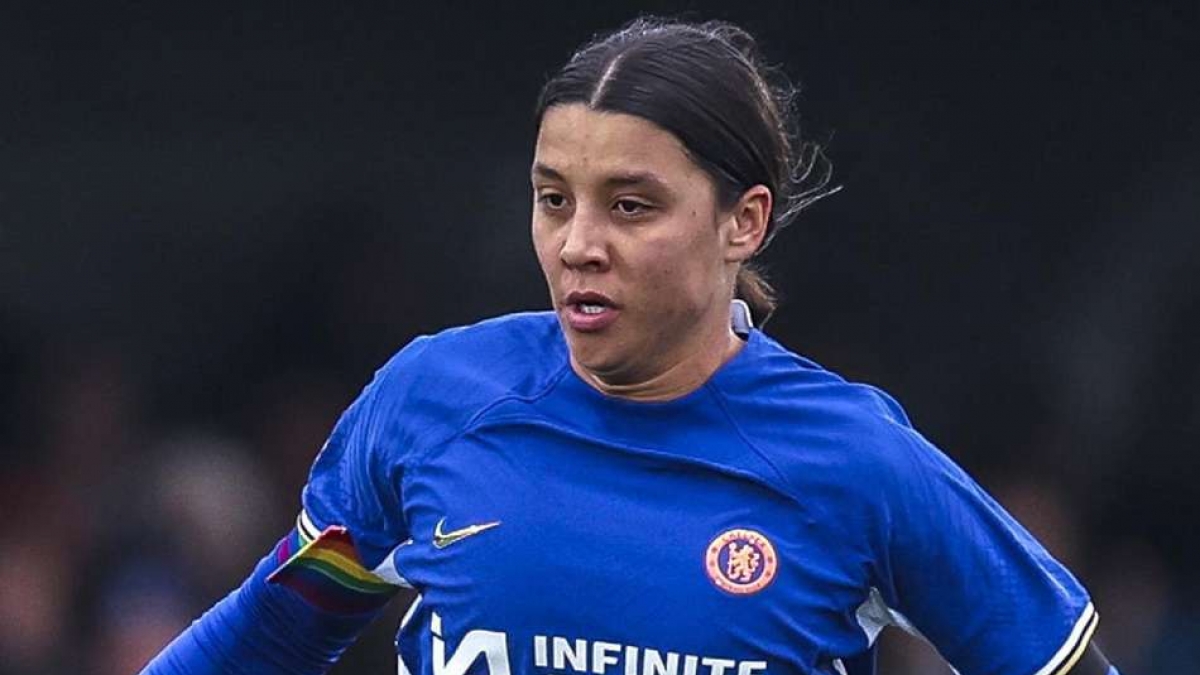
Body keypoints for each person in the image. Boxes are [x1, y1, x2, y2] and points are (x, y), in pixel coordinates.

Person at [141, 18, 1119, 675]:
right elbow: (272, 631)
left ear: (743, 222)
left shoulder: (855, 458)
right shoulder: (431, 399)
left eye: (631, 206)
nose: (578, 244)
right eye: (553, 198)